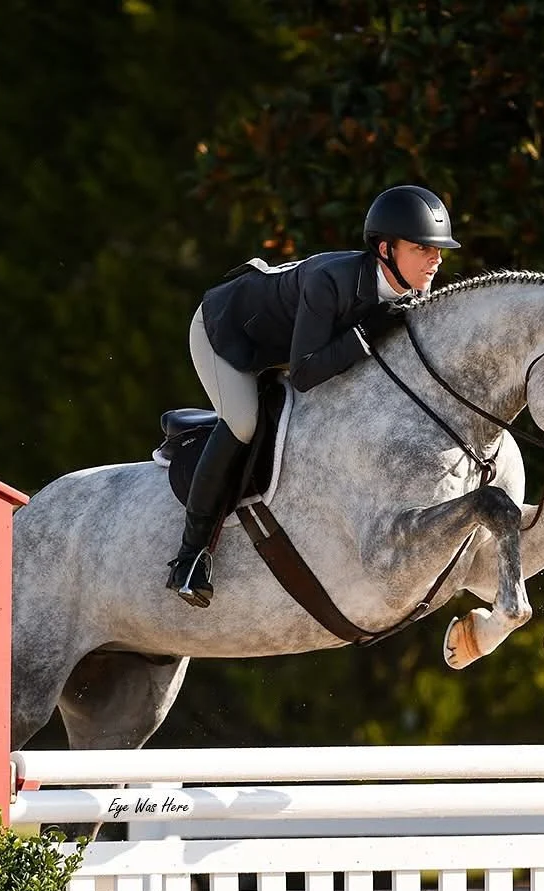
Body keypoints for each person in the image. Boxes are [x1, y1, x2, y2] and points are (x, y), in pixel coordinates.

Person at [166, 184, 461, 607]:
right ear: (385, 250)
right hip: (227, 335)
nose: (436, 259)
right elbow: (305, 374)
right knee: (244, 423)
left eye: (438, 250)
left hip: (285, 346)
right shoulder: (330, 281)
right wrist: (365, 334)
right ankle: (190, 558)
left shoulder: (416, 289)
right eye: (422, 248)